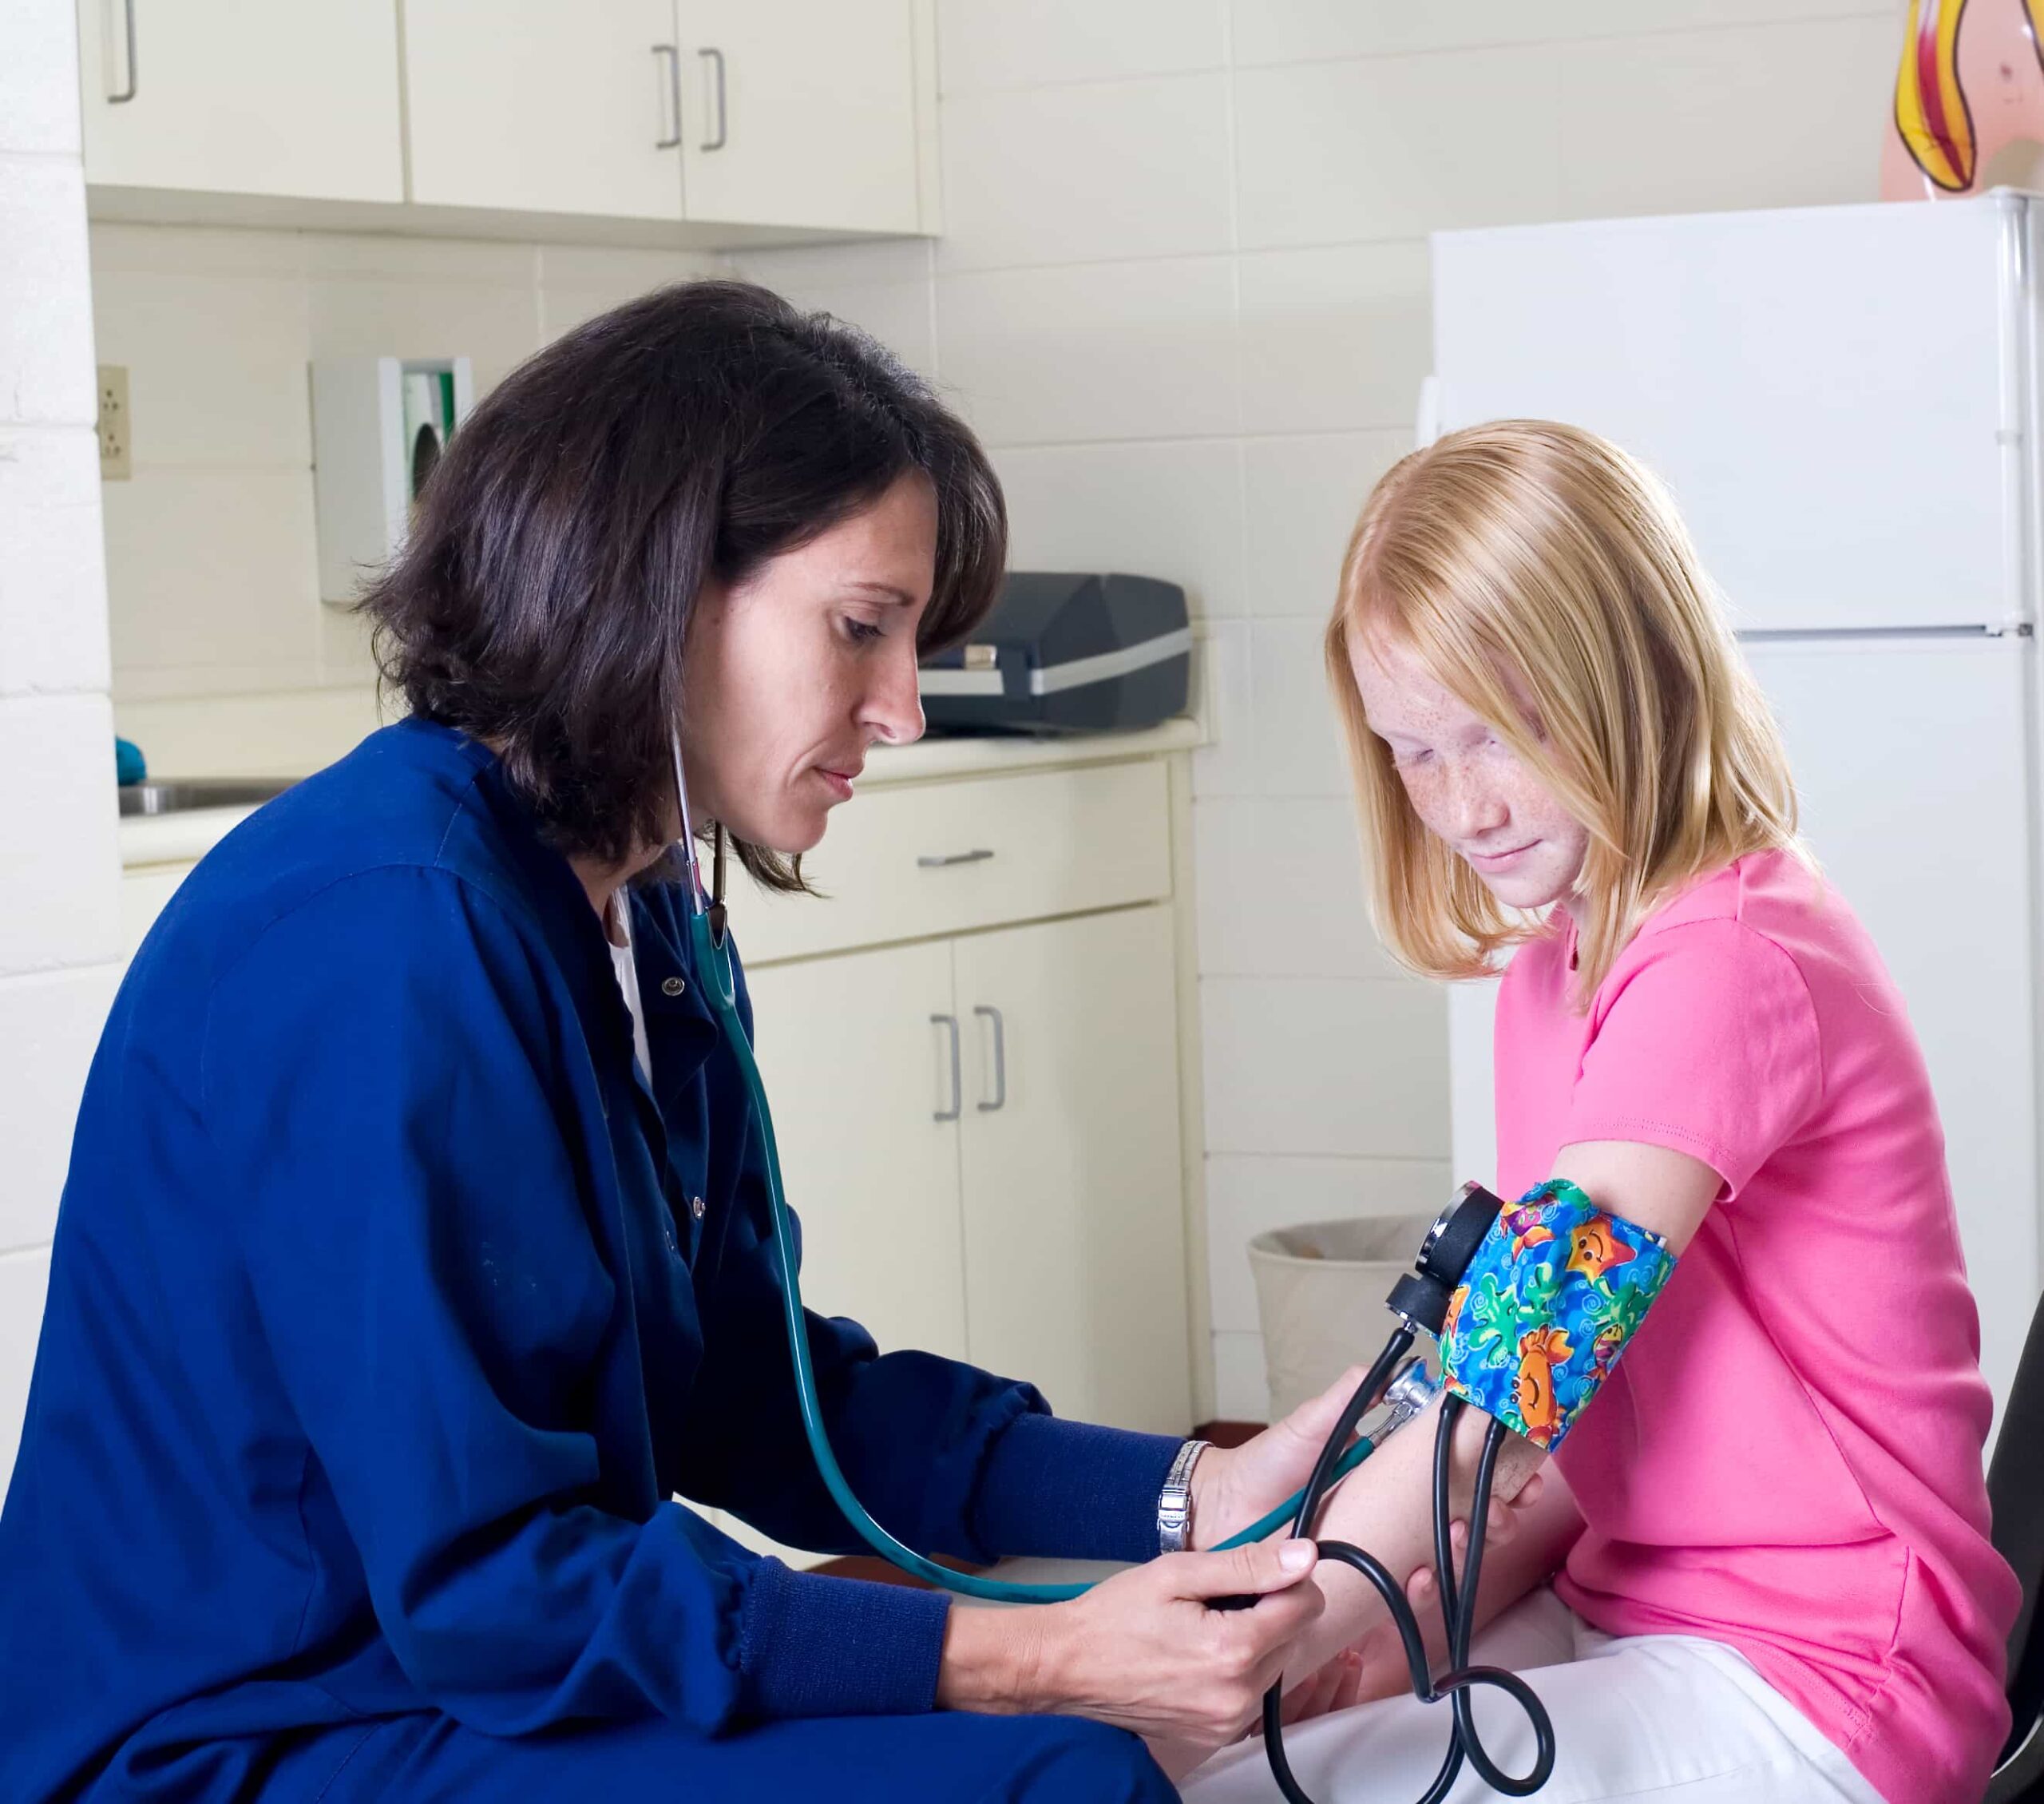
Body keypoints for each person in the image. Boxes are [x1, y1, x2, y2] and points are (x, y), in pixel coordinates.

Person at [0, 281, 1468, 1802]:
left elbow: (758, 1400)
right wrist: (1034, 1656)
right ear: (654, 589)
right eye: (861, 629)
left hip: (448, 1683)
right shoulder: (385, 938)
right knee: (1051, 1777)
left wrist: (1191, 1490)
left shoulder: (642, 912)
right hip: (244, 1737)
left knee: (1054, 1750)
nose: (903, 711)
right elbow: (495, 1588)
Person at [1171, 420, 2020, 1803]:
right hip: (1639, 1601)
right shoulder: (1554, 974)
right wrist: (1415, 1613)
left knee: (1229, 1783)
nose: (1462, 806)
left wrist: (1302, 1612)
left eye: (1500, 736)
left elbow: (1525, 1360)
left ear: (1634, 677)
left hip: (1828, 1673)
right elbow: (1580, 1401)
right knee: (1232, 1756)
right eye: (1413, 753)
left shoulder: (1725, 961)